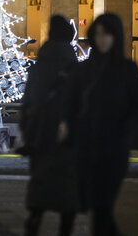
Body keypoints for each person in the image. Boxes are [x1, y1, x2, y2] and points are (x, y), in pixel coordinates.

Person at [67, 13, 138, 235]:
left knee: (103, 206)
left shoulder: (126, 69)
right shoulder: (83, 70)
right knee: (98, 207)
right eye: (98, 34)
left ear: (116, 37)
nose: (102, 39)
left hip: (113, 150)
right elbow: (71, 105)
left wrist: (124, 132)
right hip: (86, 148)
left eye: (107, 34)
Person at [20, 15, 80, 236]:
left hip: (41, 135)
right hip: (66, 135)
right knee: (68, 186)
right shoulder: (71, 63)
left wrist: (27, 131)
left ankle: (35, 218)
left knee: (41, 181)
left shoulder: (40, 65)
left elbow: (29, 101)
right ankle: (66, 227)